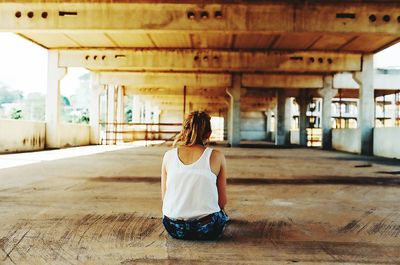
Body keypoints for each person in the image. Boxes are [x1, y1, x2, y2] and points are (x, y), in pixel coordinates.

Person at [161, 111, 229, 240]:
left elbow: (165, 198)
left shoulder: (168, 156)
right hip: (206, 229)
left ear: (184, 131)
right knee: (223, 215)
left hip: (173, 227)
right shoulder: (216, 156)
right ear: (209, 134)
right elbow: (221, 202)